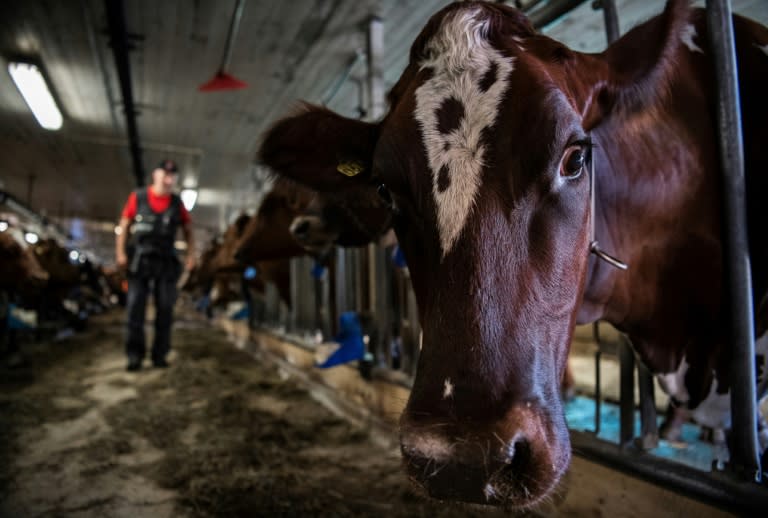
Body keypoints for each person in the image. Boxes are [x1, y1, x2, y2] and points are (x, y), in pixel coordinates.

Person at [115, 159, 195, 371]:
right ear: (155, 175)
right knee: (135, 308)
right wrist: (120, 252)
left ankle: (160, 355)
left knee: (165, 308)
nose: (168, 179)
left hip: (166, 260)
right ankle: (134, 356)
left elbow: (188, 229)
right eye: (165, 174)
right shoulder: (138, 197)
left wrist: (190, 253)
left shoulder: (177, 203)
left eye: (172, 176)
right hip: (139, 259)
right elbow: (124, 225)